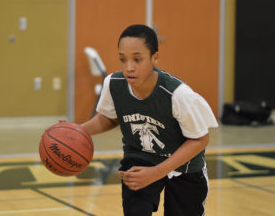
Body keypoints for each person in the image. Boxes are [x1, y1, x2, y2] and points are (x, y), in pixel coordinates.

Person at [81, 24, 218, 216]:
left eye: (137, 59)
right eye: (123, 59)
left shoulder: (178, 94)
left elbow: (200, 139)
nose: (129, 67)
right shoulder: (114, 84)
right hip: (141, 158)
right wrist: (79, 131)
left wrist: (157, 172)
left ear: (155, 58)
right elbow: (109, 118)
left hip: (184, 167)